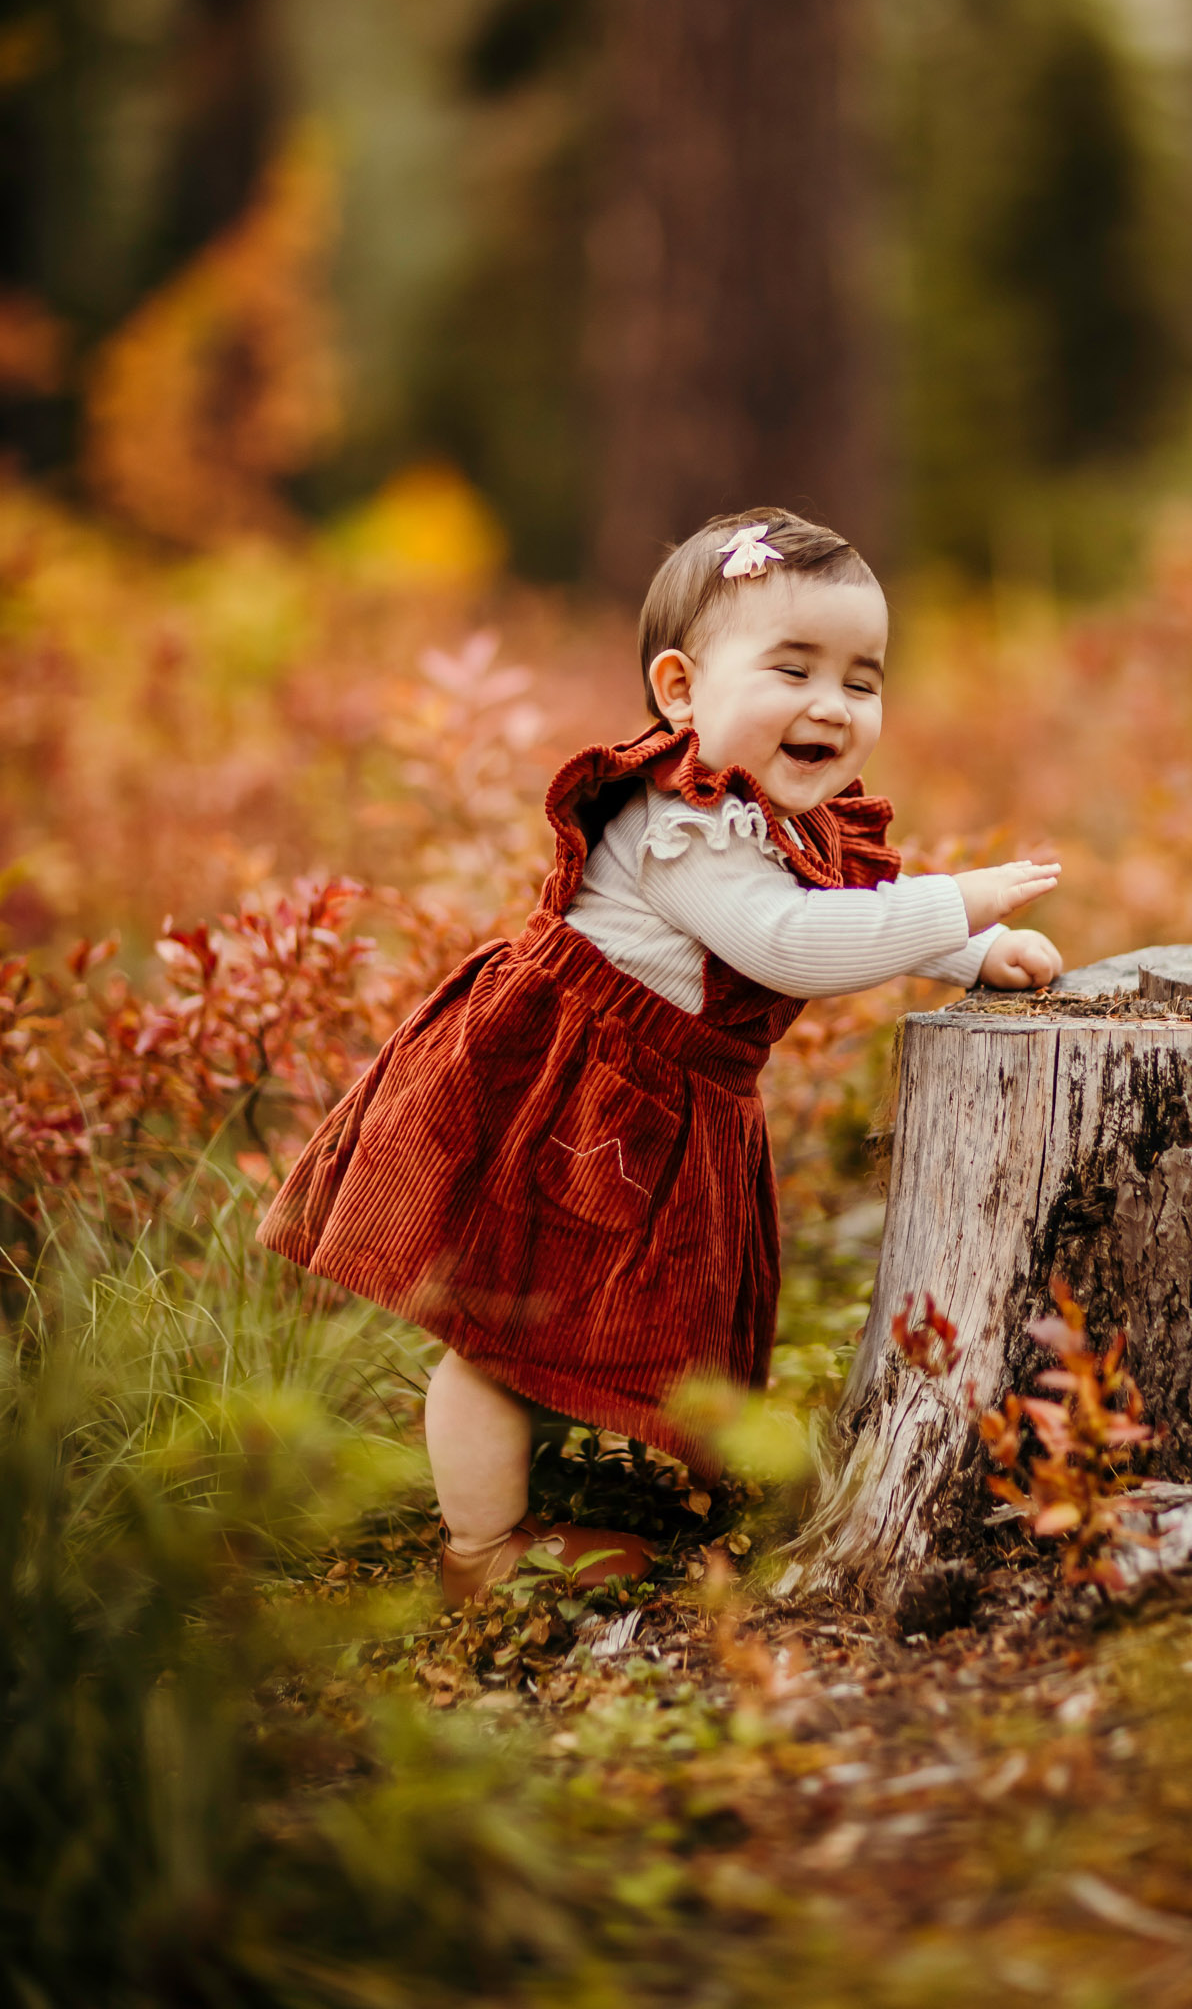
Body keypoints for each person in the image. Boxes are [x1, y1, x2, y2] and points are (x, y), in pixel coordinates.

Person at [258, 508, 1063, 1602]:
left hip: (654, 1100)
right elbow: (788, 942)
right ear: (681, 690)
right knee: (498, 1340)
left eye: (861, 680)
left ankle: (569, 1500)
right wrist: (953, 901)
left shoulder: (769, 815)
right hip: (564, 1092)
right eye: (793, 668)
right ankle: (481, 1557)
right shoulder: (682, 822)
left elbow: (840, 905)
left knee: (567, 1324)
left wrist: (969, 952)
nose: (831, 704)